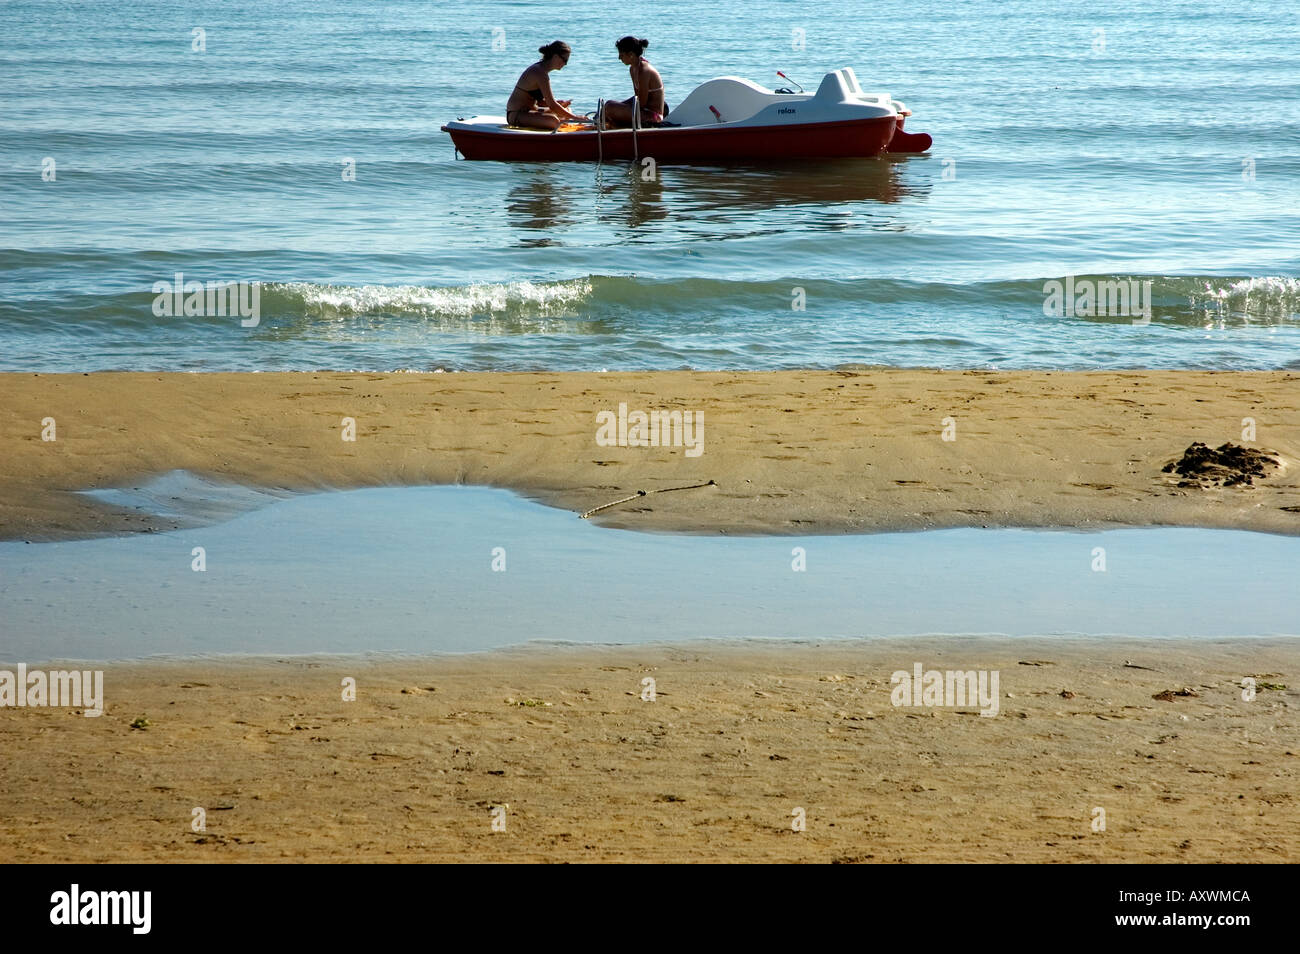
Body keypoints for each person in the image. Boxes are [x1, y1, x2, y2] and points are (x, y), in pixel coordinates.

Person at [506, 42, 580, 130]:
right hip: (516, 114)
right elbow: (552, 105)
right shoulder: (539, 73)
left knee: (566, 110)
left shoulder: (542, 70)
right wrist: (576, 118)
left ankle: (563, 124)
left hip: (531, 111)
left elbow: (541, 102)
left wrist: (559, 104)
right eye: (565, 60)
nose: (565, 64)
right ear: (556, 57)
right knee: (553, 121)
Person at [602, 36, 667, 127]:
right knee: (608, 105)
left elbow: (641, 103)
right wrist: (619, 106)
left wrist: (616, 109)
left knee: (609, 108)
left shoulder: (644, 70)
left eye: (621, 54)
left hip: (653, 117)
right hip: (643, 112)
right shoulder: (633, 69)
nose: (619, 58)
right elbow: (637, 98)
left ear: (631, 54)